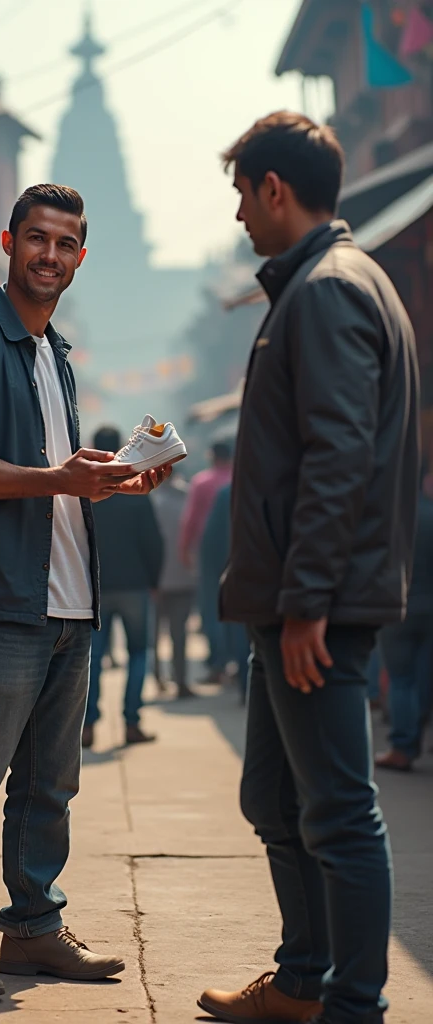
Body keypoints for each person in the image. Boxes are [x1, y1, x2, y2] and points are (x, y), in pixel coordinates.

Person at [0, 184, 172, 1003]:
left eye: (66, 245)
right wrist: (59, 477)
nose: (50, 256)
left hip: (68, 601)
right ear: (11, 243)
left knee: (50, 785)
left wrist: (110, 483)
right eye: (37, 240)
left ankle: (32, 931)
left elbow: (56, 479)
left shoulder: (56, 354)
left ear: (79, 258)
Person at [197, 112, 419, 1024]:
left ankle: (352, 1003)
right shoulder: (325, 283)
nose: (242, 216)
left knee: (336, 811)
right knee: (276, 796)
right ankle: (301, 981)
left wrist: (307, 603)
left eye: (244, 195)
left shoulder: (327, 289)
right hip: (292, 595)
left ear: (274, 189)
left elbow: (338, 456)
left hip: (314, 603)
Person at [83, 426, 165, 748]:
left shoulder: (85, 492)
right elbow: (153, 542)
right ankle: (132, 722)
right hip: (134, 586)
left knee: (93, 658)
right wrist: (154, 581)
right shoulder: (135, 491)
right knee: (139, 653)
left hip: (97, 587)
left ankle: (88, 726)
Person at [376, 482, 433, 771]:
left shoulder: (394, 517)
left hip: (398, 608)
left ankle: (403, 747)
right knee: (426, 677)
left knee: (401, 681)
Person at [179, 440, 233, 676]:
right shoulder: (238, 478)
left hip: (209, 551)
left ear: (212, 456)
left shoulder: (202, 482)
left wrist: (184, 550)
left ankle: (217, 660)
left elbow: (190, 520)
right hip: (238, 549)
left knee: (211, 605)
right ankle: (236, 657)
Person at [200, 481, 249, 702]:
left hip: (236, 571)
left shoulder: (227, 492)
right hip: (274, 574)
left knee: (241, 633)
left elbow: (209, 539)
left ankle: (245, 685)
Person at [151, 468, 196, 698]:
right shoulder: (188, 497)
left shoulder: (150, 499)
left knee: (155, 634)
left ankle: (158, 677)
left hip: (155, 580)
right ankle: (181, 682)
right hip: (183, 576)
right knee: (179, 633)